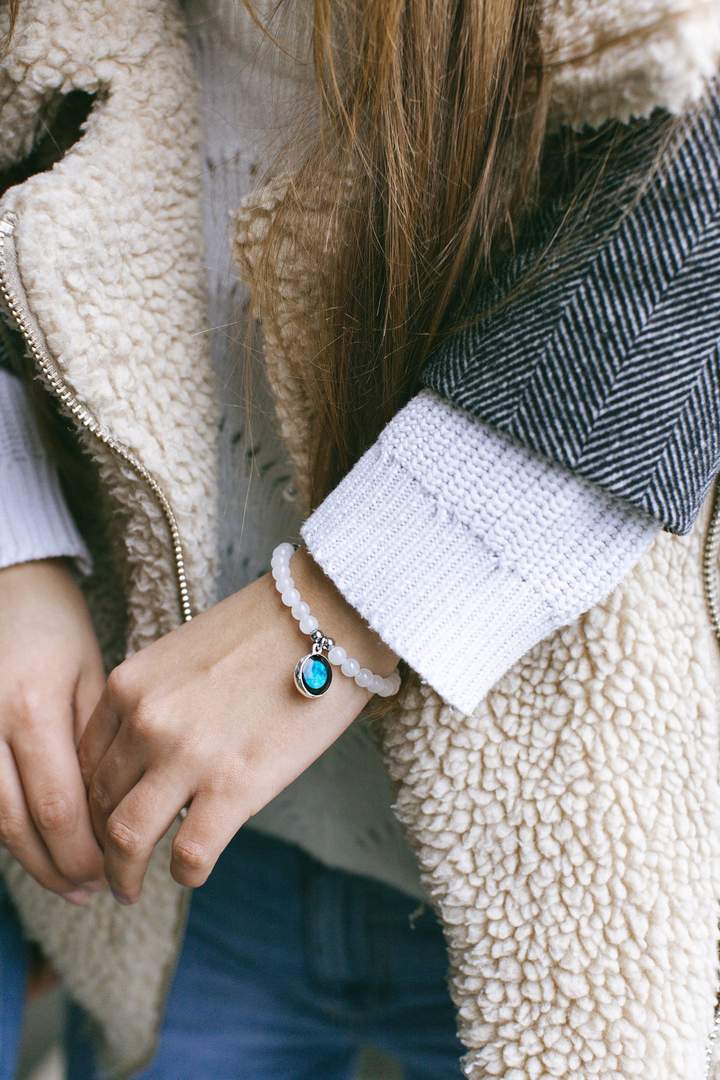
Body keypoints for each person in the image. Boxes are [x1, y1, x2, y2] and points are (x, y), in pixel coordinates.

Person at [0, 0, 719, 1077]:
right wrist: (16, 547)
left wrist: (334, 610)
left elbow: (679, 277)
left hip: (584, 884)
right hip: (178, 871)